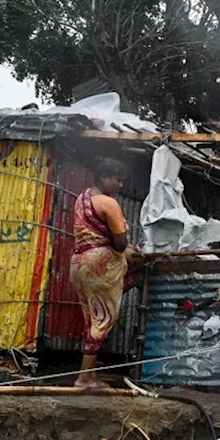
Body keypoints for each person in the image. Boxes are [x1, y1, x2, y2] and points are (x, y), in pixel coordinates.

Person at [70, 157, 142, 388]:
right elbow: (120, 244)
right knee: (103, 320)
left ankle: (90, 376)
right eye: (118, 180)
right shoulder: (108, 203)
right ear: (104, 178)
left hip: (79, 263)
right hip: (101, 265)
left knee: (91, 320)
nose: (121, 185)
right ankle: (83, 379)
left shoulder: (82, 199)